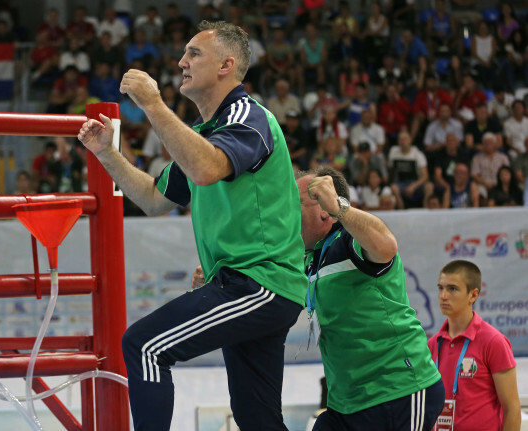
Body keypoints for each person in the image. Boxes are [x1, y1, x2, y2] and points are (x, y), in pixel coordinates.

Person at [77, 21, 306, 431]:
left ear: (226, 65)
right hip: (259, 286)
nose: (181, 62)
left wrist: (153, 105)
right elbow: (151, 199)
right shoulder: (202, 134)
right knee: (258, 419)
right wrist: (105, 153)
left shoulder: (247, 116)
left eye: (193, 54)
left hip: (258, 283)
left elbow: (204, 169)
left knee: (144, 346)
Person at [295, 166, 444, 430]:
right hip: (346, 403)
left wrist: (340, 208)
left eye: (296, 203)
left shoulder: (348, 240)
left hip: (398, 391)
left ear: (323, 208)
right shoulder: (312, 258)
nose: (287, 213)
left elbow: (387, 245)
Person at [428, 260, 521, 431]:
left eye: (452, 289)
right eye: (440, 288)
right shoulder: (432, 344)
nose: (443, 296)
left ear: (473, 295)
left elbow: (512, 409)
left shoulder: (493, 341)